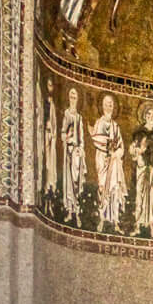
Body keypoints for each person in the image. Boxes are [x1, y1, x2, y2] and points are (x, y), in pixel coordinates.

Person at [129, 103, 153, 235]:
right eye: (148, 114)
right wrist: (138, 151)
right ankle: (137, 224)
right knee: (140, 194)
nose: (151, 117)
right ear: (144, 116)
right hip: (142, 167)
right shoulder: (139, 133)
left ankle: (151, 223)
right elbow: (133, 149)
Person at [90, 93, 127, 232]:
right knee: (102, 188)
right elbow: (96, 140)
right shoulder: (99, 123)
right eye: (106, 104)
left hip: (114, 162)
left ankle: (115, 221)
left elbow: (121, 146)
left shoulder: (116, 126)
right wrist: (108, 149)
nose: (109, 106)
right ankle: (102, 219)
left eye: (111, 104)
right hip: (102, 160)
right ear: (102, 106)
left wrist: (116, 154)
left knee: (114, 190)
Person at [60, 87, 86, 223]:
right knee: (69, 181)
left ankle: (77, 211)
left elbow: (81, 137)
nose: (73, 99)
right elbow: (62, 133)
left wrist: (80, 149)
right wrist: (68, 137)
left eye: (75, 97)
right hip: (69, 152)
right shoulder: (66, 114)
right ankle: (70, 211)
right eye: (71, 96)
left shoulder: (79, 117)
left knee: (76, 182)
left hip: (77, 153)